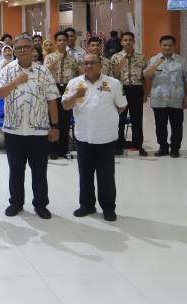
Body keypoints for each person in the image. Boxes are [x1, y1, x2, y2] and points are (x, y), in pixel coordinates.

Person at [0, 34, 59, 219]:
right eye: (18, 48)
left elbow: (52, 100)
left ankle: (40, 204)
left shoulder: (43, 71)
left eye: (26, 47)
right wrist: (15, 82)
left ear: (33, 49)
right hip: (13, 130)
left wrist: (55, 126)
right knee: (16, 170)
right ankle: (16, 203)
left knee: (39, 171)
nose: (22, 50)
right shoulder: (7, 70)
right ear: (14, 51)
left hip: (38, 131)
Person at [62, 53, 127, 222]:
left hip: (106, 137)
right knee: (85, 174)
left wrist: (106, 118)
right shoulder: (74, 83)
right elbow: (65, 105)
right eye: (85, 63)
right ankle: (87, 205)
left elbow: (121, 106)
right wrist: (76, 95)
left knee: (106, 176)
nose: (88, 66)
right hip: (83, 136)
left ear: (100, 64)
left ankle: (108, 208)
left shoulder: (113, 83)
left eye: (92, 63)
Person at [144, 35, 187, 158]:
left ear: (174, 46)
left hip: (176, 100)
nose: (167, 47)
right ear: (160, 46)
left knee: (177, 126)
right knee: (160, 126)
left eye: (170, 45)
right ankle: (163, 147)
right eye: (164, 45)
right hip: (158, 100)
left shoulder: (182, 61)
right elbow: (147, 76)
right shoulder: (154, 59)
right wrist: (156, 64)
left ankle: (175, 149)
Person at [110, 32, 148, 156]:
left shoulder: (141, 57)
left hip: (136, 90)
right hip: (121, 90)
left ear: (134, 41)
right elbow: (113, 76)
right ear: (121, 42)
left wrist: (145, 93)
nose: (127, 42)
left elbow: (144, 77)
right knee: (119, 119)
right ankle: (118, 145)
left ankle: (138, 146)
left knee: (137, 119)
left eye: (130, 40)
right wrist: (122, 62)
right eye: (125, 40)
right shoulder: (115, 57)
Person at [44, 31, 81, 159]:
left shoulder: (72, 59)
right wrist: (57, 59)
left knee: (65, 120)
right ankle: (52, 149)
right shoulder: (49, 57)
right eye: (59, 40)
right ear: (56, 42)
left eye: (64, 40)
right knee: (53, 120)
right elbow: (45, 72)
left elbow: (78, 74)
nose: (62, 42)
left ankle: (63, 149)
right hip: (52, 89)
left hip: (67, 89)